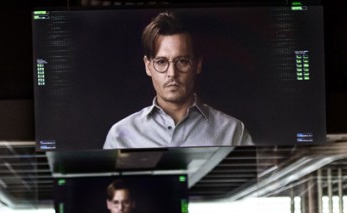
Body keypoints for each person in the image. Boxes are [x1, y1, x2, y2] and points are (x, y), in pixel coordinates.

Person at [104, 12, 253, 149]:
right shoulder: (120, 136)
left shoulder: (233, 133)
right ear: (148, 66)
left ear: (197, 64)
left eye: (182, 61)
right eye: (161, 62)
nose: (172, 73)